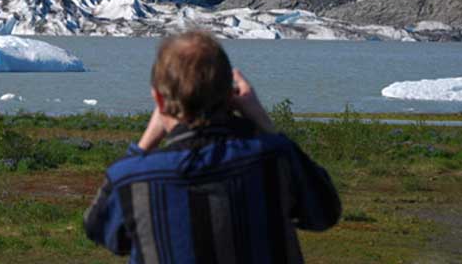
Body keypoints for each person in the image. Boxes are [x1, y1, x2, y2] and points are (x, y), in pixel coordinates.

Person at [84, 31, 341, 264]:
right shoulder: (274, 157)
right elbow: (325, 212)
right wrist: (265, 123)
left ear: (160, 101)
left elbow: (99, 229)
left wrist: (142, 147)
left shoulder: (131, 178)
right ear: (232, 95)